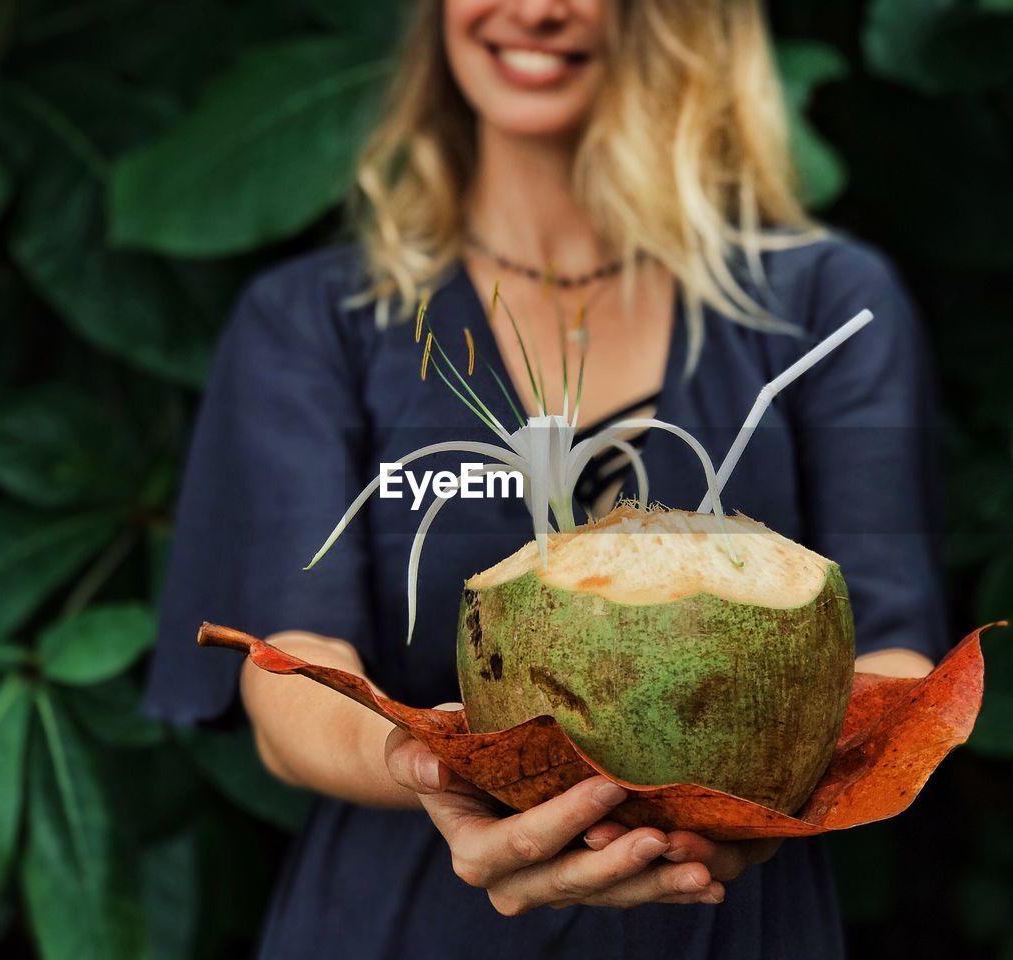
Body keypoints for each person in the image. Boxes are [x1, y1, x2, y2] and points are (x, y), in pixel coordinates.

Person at [144, 0, 948, 956]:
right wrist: (442, 766)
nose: (533, 7)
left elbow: (897, 666)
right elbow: (289, 668)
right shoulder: (315, 318)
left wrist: (751, 807)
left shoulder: (829, 305)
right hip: (403, 921)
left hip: (729, 925)